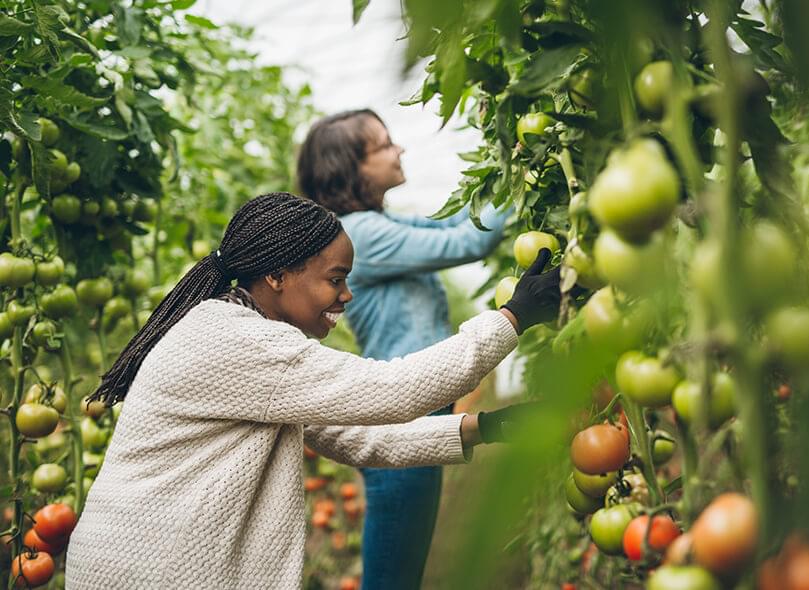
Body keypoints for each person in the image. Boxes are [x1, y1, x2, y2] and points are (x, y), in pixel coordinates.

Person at [64, 192, 561, 589]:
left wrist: (485, 428)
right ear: (277, 275)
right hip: (149, 569)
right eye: (335, 279)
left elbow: (359, 437)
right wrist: (511, 318)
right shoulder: (239, 340)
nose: (346, 295)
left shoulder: (244, 342)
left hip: (140, 561)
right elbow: (395, 389)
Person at [298, 109, 511, 589]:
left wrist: (501, 170)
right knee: (394, 577)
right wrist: (520, 176)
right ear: (350, 168)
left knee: (400, 569)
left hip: (417, 412)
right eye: (384, 145)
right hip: (403, 417)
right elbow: (467, 240)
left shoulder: (377, 225)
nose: (400, 150)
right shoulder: (361, 234)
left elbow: (451, 225)